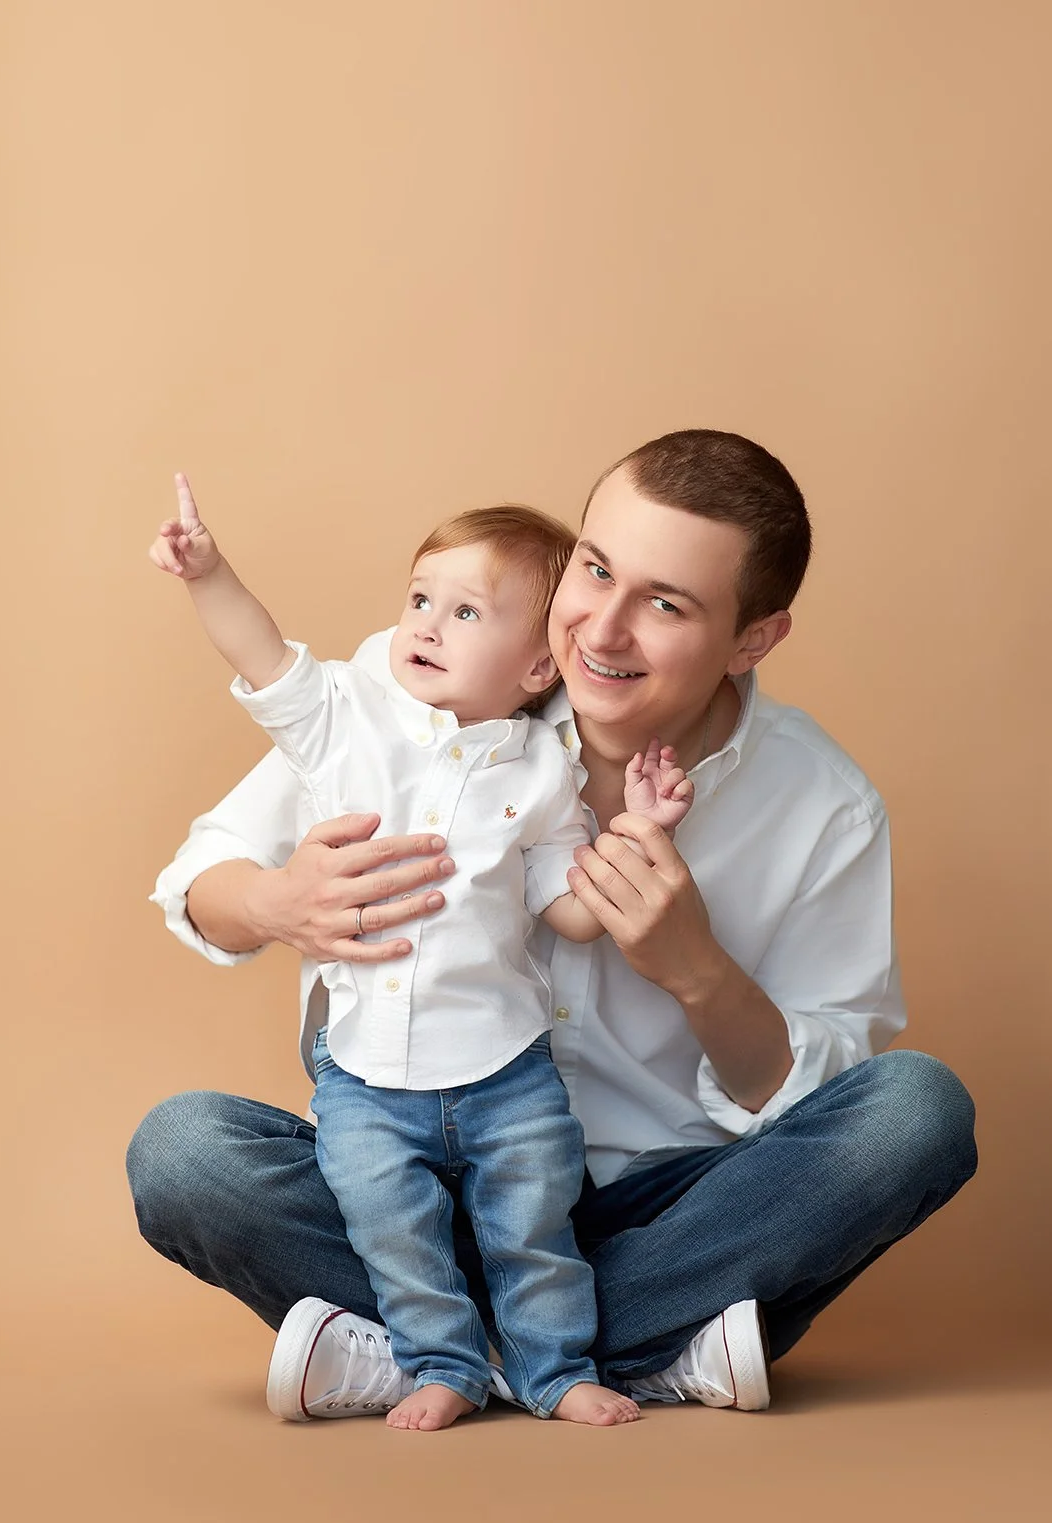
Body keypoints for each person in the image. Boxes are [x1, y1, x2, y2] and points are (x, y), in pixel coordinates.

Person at [129, 428, 977, 1423]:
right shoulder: (444, 696)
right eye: (595, 568)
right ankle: (628, 1350)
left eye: (665, 602)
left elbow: (816, 1104)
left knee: (915, 1110)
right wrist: (276, 902)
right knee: (186, 1152)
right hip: (409, 1183)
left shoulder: (824, 806)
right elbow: (197, 881)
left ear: (752, 637)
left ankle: (435, 1349)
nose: (600, 632)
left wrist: (698, 972)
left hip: (662, 1210)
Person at [147, 481, 694, 1429]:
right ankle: (441, 1362)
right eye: (419, 600)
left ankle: (556, 1369)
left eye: (466, 611)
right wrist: (208, 571)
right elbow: (262, 655)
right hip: (364, 1070)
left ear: (535, 667)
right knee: (389, 1227)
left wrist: (634, 830)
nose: (428, 624)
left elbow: (567, 911)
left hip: (505, 1068)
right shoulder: (345, 717)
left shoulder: (541, 767)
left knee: (536, 1227)